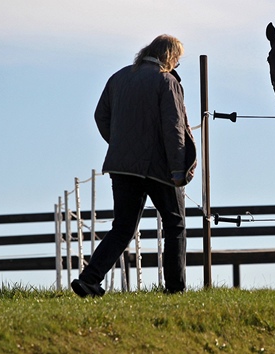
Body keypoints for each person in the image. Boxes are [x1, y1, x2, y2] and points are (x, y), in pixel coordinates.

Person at [72, 34, 197, 297]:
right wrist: (178, 169)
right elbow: (174, 127)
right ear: (169, 56)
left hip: (122, 167)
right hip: (159, 168)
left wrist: (119, 144)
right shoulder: (167, 81)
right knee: (175, 225)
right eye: (177, 59)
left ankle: (89, 279)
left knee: (123, 227)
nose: (177, 64)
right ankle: (175, 290)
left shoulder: (119, 77)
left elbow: (100, 116)